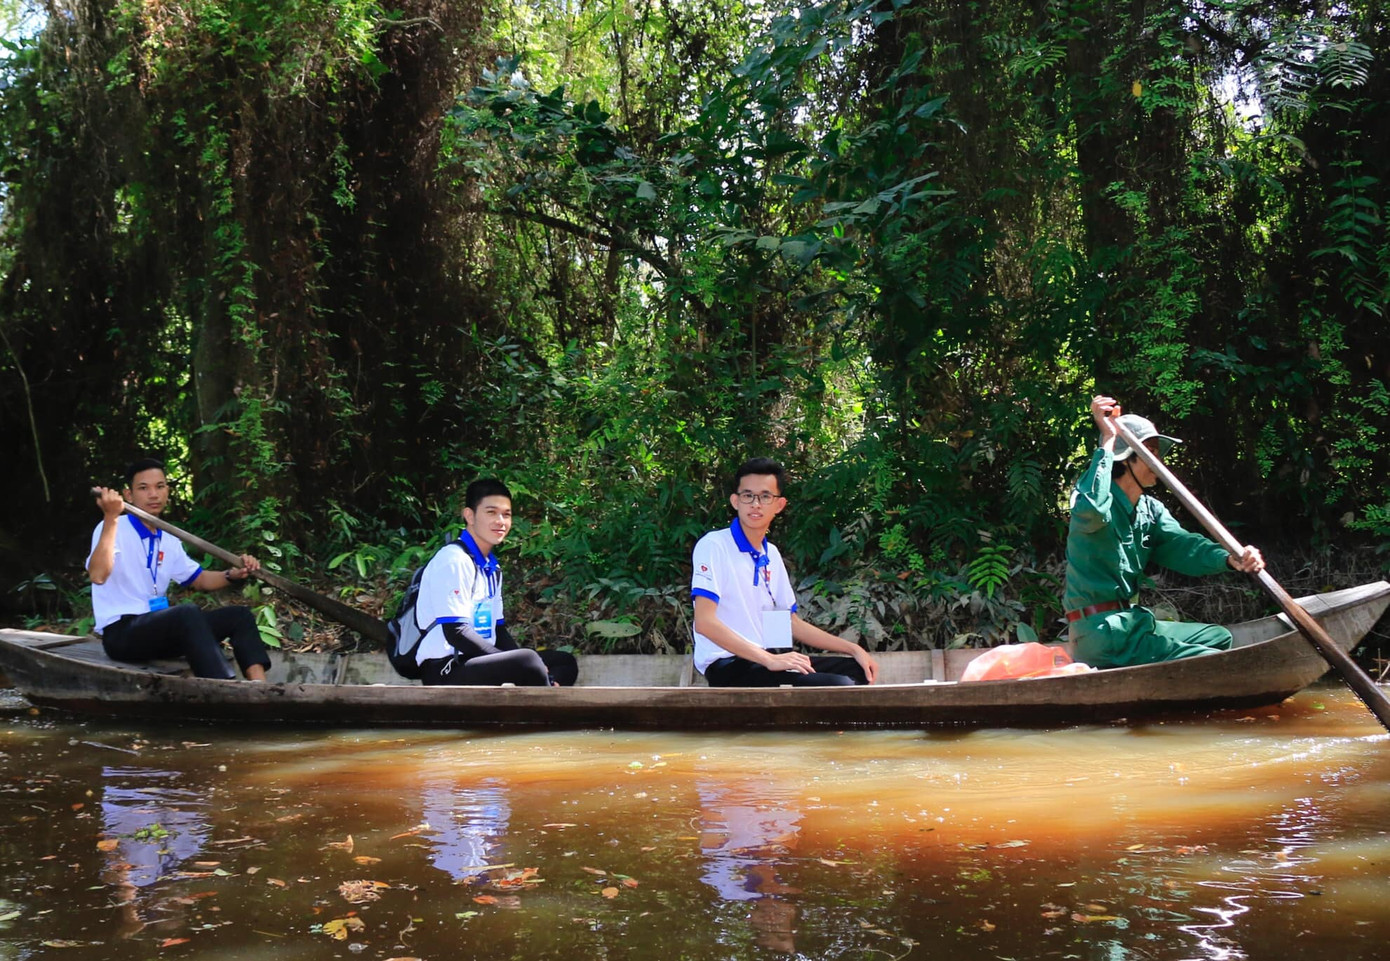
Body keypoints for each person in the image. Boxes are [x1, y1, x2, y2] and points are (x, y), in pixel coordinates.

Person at [1063, 396, 1265, 668]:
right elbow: (1091, 509)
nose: (1159, 463)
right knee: (1214, 663)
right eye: (1150, 453)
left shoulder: (1150, 510)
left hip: (1132, 622)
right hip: (1102, 632)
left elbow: (1184, 546)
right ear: (1127, 459)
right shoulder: (1095, 500)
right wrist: (1108, 441)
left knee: (1219, 637)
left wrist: (1230, 558)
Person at [690, 457, 879, 687]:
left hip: (764, 662)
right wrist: (769, 659)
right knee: (839, 685)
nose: (756, 504)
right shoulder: (714, 545)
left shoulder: (771, 554)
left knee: (857, 671)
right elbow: (705, 622)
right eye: (748, 496)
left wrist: (853, 648)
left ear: (779, 505)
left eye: (765, 496)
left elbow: (788, 624)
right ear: (735, 501)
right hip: (728, 665)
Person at [88, 459, 270, 680]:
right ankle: (225, 686)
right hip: (122, 635)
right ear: (129, 495)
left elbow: (199, 579)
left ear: (167, 491)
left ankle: (260, 688)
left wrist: (233, 574)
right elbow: (97, 575)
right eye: (143, 488)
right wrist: (110, 517)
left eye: (160, 486)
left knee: (239, 616)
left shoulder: (169, 538)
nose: (153, 494)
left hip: (158, 633)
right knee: (186, 613)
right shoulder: (113, 527)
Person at [412, 478, 578, 686]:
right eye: (491, 512)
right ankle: (546, 696)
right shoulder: (453, 560)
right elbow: (456, 633)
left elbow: (499, 632)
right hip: (445, 667)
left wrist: (512, 663)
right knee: (528, 661)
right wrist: (512, 664)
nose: (501, 521)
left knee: (564, 661)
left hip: (479, 661)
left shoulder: (491, 567)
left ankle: (547, 688)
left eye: (506, 514)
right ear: (469, 516)